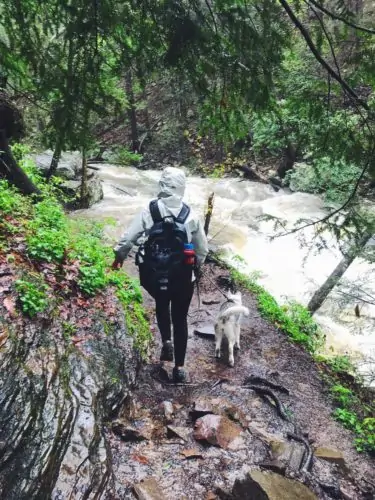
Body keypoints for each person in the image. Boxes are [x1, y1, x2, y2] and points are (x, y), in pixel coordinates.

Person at [112, 167, 208, 382]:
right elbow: (202, 250)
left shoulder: (149, 210)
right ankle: (180, 368)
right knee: (180, 318)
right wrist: (197, 268)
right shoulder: (191, 215)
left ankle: (167, 343)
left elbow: (128, 240)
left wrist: (119, 257)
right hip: (183, 277)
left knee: (162, 304)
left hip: (155, 274)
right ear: (182, 187)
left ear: (162, 185)